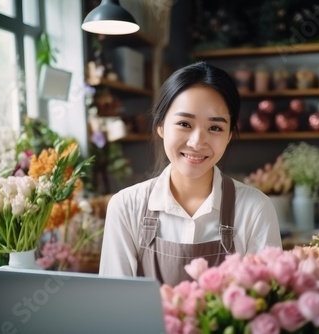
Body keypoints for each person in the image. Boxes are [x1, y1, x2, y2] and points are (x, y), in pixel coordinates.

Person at [99, 61, 281, 286]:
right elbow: (115, 306)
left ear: (229, 135)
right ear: (161, 126)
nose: (197, 142)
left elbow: (267, 305)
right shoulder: (126, 207)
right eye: (185, 123)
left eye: (215, 128)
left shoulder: (255, 209)